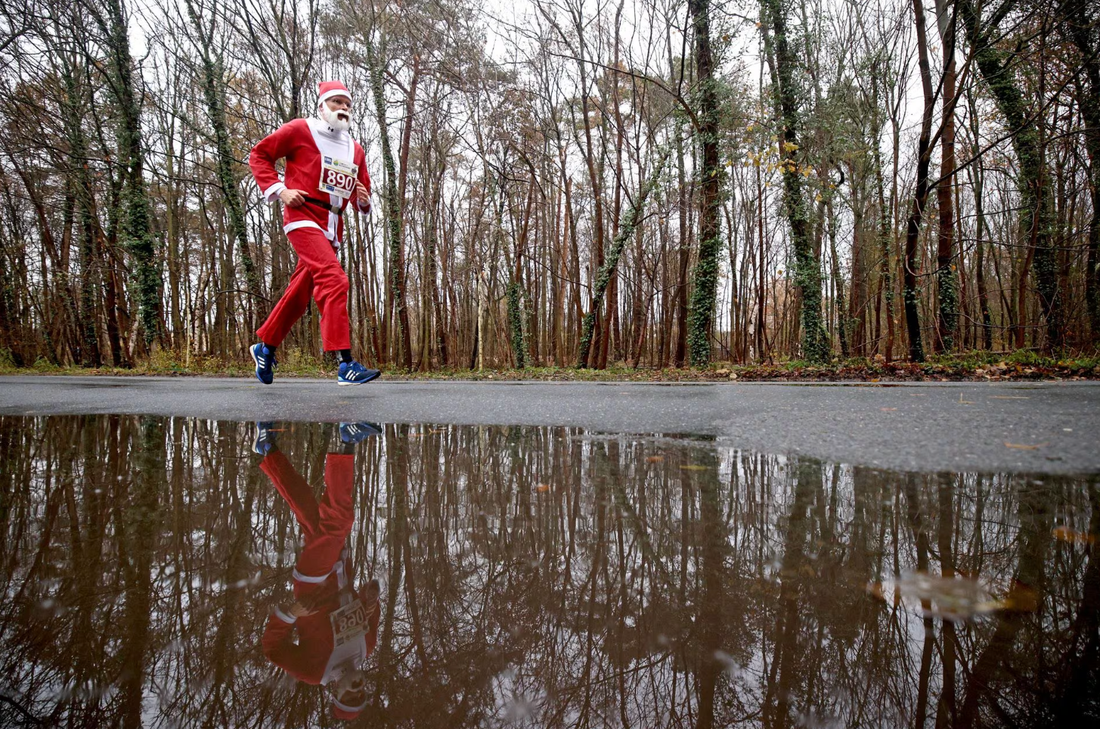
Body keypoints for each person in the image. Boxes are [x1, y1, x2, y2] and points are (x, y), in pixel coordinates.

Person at [248, 80, 380, 385]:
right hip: (302, 215)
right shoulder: (299, 130)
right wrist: (280, 190)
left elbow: (362, 188)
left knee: (300, 292)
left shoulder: (355, 149)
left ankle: (265, 347)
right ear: (322, 106)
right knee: (334, 279)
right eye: (336, 102)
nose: (343, 108)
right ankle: (345, 363)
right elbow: (260, 155)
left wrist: (362, 201)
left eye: (347, 104)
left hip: (332, 225)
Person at [255, 421, 383, 721]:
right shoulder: (368, 648)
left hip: (313, 583)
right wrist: (370, 597)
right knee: (305, 508)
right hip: (341, 569)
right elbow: (370, 611)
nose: (357, 689)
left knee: (339, 520)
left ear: (335, 692)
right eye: (361, 694)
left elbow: (272, 649)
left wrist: (290, 614)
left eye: (349, 695)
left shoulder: (315, 673)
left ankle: (348, 441)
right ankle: (266, 447)